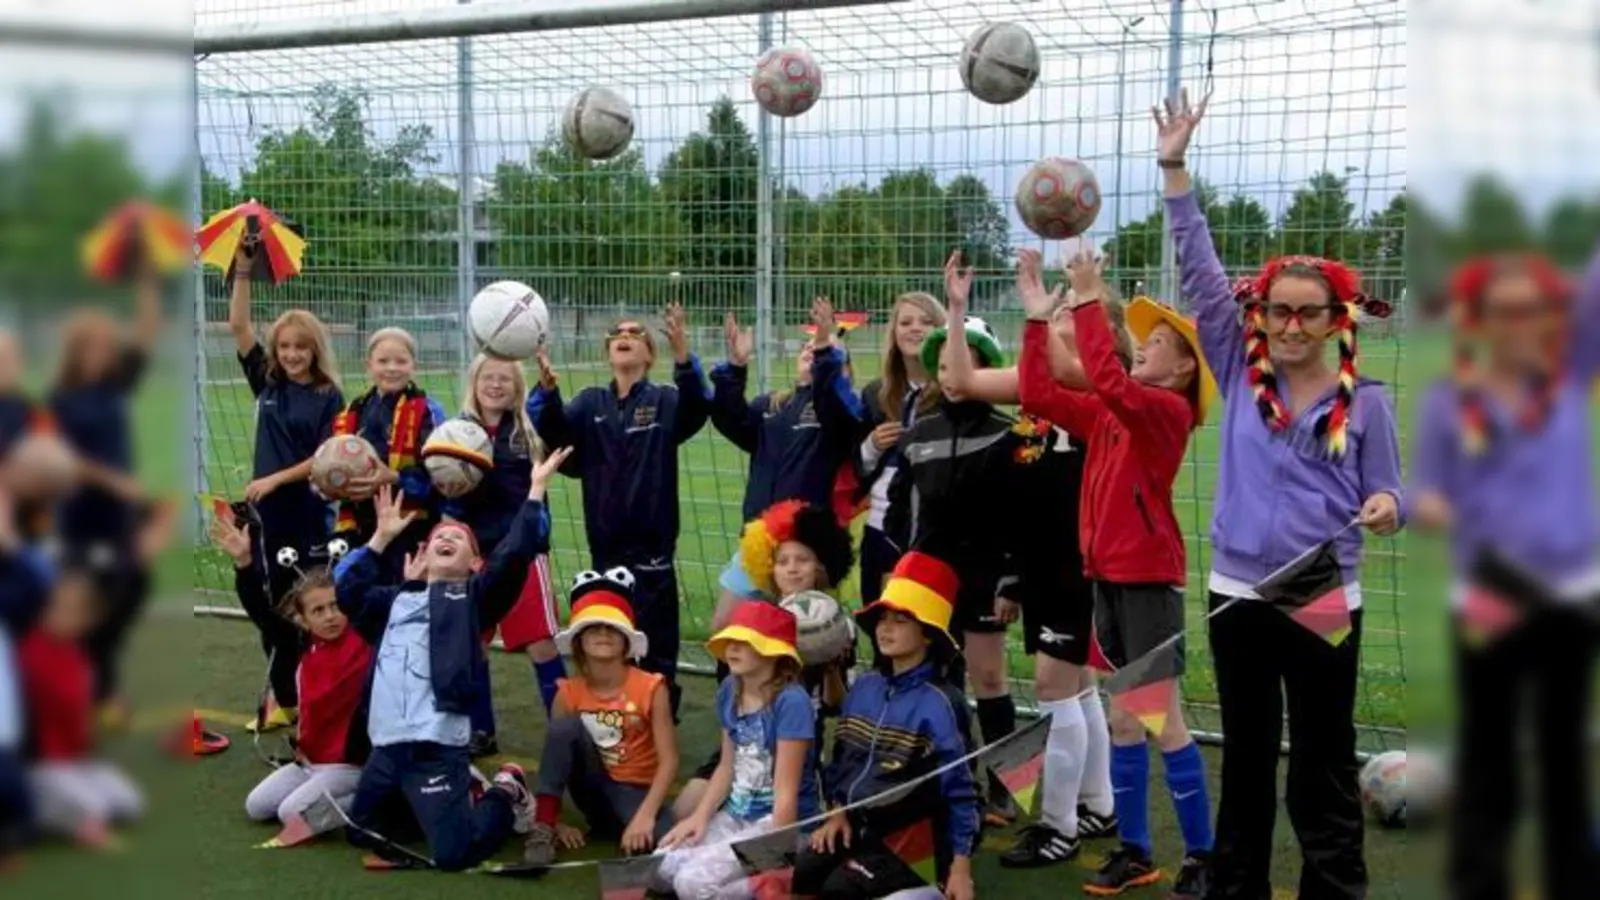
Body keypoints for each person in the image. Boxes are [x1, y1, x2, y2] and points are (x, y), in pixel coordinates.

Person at [1155, 88, 1403, 900]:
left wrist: (1386, 509)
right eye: (1277, 312)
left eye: (1308, 314)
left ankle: (1334, 888)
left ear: (1337, 320)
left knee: (1325, 756)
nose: (1291, 326)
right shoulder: (1236, 366)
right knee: (1251, 756)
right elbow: (1199, 267)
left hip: (1324, 591)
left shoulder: (1366, 404)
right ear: (1258, 317)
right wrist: (1175, 168)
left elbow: (1391, 495)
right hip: (1238, 589)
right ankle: (1239, 888)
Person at [1017, 248, 1217, 897]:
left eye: (1155, 343)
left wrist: (1085, 295)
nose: (1143, 348)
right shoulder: (1112, 413)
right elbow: (1039, 392)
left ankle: (1203, 855)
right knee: (1126, 720)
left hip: (1147, 584)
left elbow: (1105, 377)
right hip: (1107, 581)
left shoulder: (1165, 411)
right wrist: (1033, 321)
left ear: (1185, 366)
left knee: (1162, 720)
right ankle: (1134, 850)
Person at [1410, 252, 1600, 900]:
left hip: (1571, 598)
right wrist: (1427, 504)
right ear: (1480, 320)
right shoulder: (1449, 402)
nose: (1521, 323)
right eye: (1505, 310)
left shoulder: (1570, 379)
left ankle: (1572, 882)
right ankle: (1478, 882)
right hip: (1490, 597)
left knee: (1563, 758)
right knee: (1489, 760)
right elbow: (1424, 491)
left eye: (1535, 310)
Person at [942, 248, 1125, 865]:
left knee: (1054, 686)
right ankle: (1098, 805)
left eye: (1070, 308)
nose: (1058, 310)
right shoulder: (1037, 387)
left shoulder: (1108, 387)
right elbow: (963, 381)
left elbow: (1079, 365)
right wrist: (959, 312)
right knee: (1076, 689)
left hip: (1084, 559)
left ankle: (1057, 826)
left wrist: (1063, 307)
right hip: (1042, 559)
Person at [331, 446, 570, 871]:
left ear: (474, 562)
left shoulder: (472, 599)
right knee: (360, 831)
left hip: (436, 748)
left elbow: (514, 557)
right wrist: (381, 538)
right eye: (438, 535)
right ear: (422, 555)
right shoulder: (394, 601)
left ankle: (506, 791)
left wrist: (535, 491)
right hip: (386, 749)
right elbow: (346, 591)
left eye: (458, 538)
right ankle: (449, 802)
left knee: (453, 855)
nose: (444, 537)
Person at [884, 294, 1040, 823]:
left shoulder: (1010, 432)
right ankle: (945, 780)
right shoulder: (918, 434)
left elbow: (1024, 515)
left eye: (967, 362)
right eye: (945, 363)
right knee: (932, 676)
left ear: (988, 365)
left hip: (985, 575)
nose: (954, 374)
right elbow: (898, 511)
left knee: (990, 679)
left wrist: (1012, 581)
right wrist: (897, 567)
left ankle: (1009, 789)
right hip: (927, 576)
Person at [530, 303, 711, 717]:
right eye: (616, 333)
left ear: (649, 353)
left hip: (654, 550)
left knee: (657, 645)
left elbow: (698, 407)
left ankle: (659, 716)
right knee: (609, 637)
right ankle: (610, 714)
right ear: (607, 350)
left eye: (635, 332)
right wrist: (548, 392)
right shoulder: (589, 402)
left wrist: (683, 353)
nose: (624, 336)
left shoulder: (666, 400)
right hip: (606, 548)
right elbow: (560, 443)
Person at [792, 552, 978, 900]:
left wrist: (961, 868)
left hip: (912, 840)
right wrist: (836, 812)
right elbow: (842, 762)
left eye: (900, 620)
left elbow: (962, 791)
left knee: (839, 889)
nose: (885, 628)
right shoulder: (865, 686)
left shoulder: (942, 702)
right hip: (859, 826)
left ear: (927, 635)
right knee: (803, 871)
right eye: (881, 619)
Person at [226, 243, 344, 733]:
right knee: (267, 599)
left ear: (315, 349)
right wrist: (245, 271)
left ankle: (314, 693)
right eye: (284, 347)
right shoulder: (268, 384)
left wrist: (274, 478)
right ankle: (282, 694)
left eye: (301, 347)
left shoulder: (326, 395)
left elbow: (323, 460)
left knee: (305, 606)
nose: (292, 354)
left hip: (305, 515)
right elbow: (238, 327)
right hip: (266, 517)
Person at [677, 498, 855, 821]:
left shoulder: (834, 624)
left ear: (820, 568)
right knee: (682, 812)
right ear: (769, 568)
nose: (792, 568)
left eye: (802, 559)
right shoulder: (754, 619)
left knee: (777, 818)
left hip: (792, 745)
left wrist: (831, 668)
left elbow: (838, 704)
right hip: (746, 741)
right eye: (782, 560)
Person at [48, 267, 162, 731]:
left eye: (104, 346)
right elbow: (64, 459)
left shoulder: (113, 385)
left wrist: (145, 270)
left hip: (119, 516)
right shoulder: (63, 399)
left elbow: (148, 329)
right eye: (91, 347)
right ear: (76, 353)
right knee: (90, 596)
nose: (101, 353)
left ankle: (95, 680)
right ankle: (95, 691)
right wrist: (113, 482)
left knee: (130, 586)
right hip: (83, 516)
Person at [214, 515, 371, 834]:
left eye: (336, 606)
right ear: (302, 619)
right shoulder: (300, 645)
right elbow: (262, 613)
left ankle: (378, 797)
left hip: (350, 764)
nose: (330, 617)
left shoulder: (366, 637)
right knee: (257, 807)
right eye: (318, 610)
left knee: (291, 813)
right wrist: (244, 564)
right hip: (309, 762)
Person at [709, 297, 861, 616]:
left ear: (842, 368)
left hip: (806, 545)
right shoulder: (772, 405)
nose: (812, 349)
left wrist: (825, 357)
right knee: (727, 627)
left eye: (823, 347)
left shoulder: (840, 410)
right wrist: (735, 369)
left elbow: (835, 404)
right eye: (808, 345)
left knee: (802, 635)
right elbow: (730, 420)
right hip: (759, 539)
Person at [443, 353, 563, 757]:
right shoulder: (458, 433)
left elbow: (550, 418)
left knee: (542, 644)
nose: (495, 385)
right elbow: (449, 494)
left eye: (505, 380)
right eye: (487, 378)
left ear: (517, 388)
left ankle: (566, 731)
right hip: (478, 556)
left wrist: (548, 391)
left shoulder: (525, 429)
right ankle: (481, 730)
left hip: (524, 555)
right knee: (471, 644)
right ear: (473, 385)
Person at [655, 602, 818, 899]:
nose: (733, 648)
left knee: (691, 883)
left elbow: (785, 796)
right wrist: (699, 818)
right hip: (736, 813)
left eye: (746, 642)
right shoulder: (730, 689)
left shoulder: (791, 702)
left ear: (773, 651)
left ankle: (781, 876)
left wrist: (774, 850)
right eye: (731, 640)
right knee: (663, 865)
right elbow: (727, 766)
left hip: (780, 826)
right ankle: (761, 885)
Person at [520, 570, 679, 866]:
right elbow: (556, 756)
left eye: (612, 628)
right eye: (593, 629)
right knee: (564, 727)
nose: (603, 635)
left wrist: (645, 817)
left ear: (627, 640)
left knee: (672, 847)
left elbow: (669, 760)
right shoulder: (568, 692)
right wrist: (556, 821)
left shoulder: (651, 687)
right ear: (579, 641)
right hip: (593, 791)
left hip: (637, 793)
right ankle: (542, 827)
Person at [17, 563, 144, 850]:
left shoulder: (77, 656)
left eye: (73, 611)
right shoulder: (30, 653)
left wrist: (107, 708)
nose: (60, 616)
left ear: (89, 620)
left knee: (129, 803)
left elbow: (82, 707)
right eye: (57, 607)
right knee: (92, 809)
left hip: (75, 761)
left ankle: (54, 808)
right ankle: (31, 809)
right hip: (42, 764)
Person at [331, 327, 448, 584]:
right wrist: (329, 483)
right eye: (383, 361)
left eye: (401, 361)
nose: (391, 368)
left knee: (403, 599)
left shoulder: (428, 412)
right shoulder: (352, 411)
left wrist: (392, 477)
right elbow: (333, 462)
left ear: (413, 365)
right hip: (361, 525)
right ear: (369, 365)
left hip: (411, 526)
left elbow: (441, 480)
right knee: (359, 596)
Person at [854, 292, 946, 604]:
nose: (915, 328)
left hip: (932, 534)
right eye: (905, 322)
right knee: (881, 626)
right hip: (880, 529)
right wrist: (871, 446)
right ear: (893, 333)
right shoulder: (875, 394)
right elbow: (856, 468)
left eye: (926, 321)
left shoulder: (954, 393)